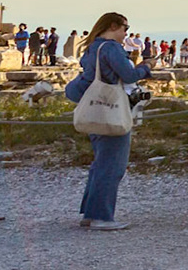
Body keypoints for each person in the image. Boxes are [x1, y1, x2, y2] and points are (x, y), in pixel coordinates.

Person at [64, 13, 151, 231]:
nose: (126, 34)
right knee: (112, 165)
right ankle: (101, 217)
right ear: (113, 26)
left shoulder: (93, 47)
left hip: (95, 110)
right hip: (111, 111)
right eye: (125, 29)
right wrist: (145, 68)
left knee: (100, 162)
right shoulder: (111, 48)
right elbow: (129, 75)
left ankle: (90, 213)